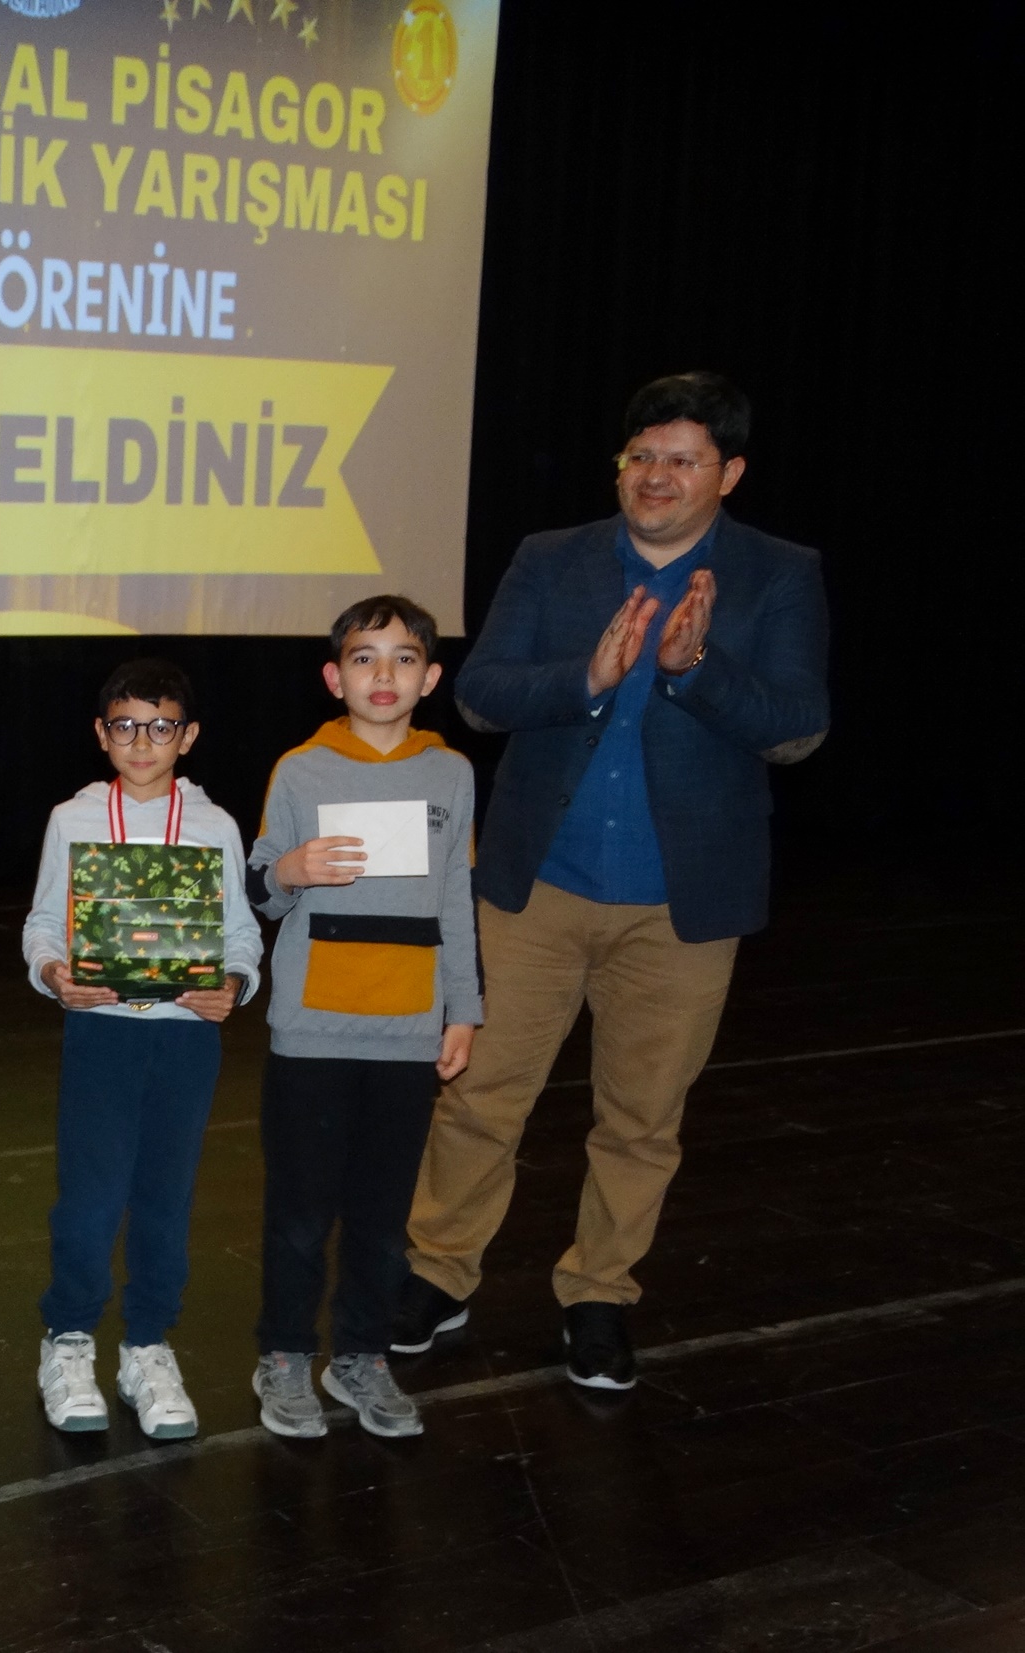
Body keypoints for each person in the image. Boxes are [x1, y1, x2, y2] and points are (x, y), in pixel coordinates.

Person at [392, 371, 830, 1389]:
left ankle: (598, 1294)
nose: (656, 476)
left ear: (729, 474)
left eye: (682, 459)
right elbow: (482, 696)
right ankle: (437, 1273)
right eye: (642, 457)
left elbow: (798, 728)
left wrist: (694, 671)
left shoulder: (778, 573)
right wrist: (585, 678)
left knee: (640, 1119)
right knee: (478, 1096)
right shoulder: (552, 558)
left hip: (683, 904)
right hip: (534, 886)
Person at [244, 597, 480, 1440]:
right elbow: (262, 887)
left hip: (408, 1032)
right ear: (333, 676)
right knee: (301, 1213)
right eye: (364, 657)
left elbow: (455, 898)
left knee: (383, 1218)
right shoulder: (301, 769)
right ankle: (283, 1354)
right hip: (311, 1031)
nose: (384, 675)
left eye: (404, 658)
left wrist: (464, 1007)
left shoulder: (450, 773)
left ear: (431, 677)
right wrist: (292, 870)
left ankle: (362, 1356)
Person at [20, 659, 262, 1439]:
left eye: (161, 727)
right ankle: (67, 1338)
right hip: (102, 1032)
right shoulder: (74, 818)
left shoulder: (216, 826)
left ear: (187, 737)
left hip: (186, 1038)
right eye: (125, 726)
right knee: (89, 1198)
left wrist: (234, 984)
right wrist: (55, 973)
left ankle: (148, 1345)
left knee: (165, 1196)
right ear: (102, 733)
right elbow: (43, 924)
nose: (142, 742)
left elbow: (240, 933)